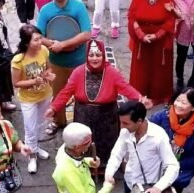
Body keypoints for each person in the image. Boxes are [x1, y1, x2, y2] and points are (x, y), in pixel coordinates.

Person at [46, 40, 149, 170]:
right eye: (91, 55)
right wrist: (54, 107)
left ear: (103, 56)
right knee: (85, 142)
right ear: (87, 56)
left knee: (109, 143)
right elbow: (66, 92)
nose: (94, 58)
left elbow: (125, 87)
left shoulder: (112, 72)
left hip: (107, 117)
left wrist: (139, 98)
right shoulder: (78, 72)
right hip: (83, 115)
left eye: (98, 55)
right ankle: (86, 166)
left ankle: (109, 166)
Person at [36, 0, 92, 134]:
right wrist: (53, 45)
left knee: (82, 93)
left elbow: (87, 34)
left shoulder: (78, 7)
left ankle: (81, 123)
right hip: (56, 61)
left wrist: (64, 45)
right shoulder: (46, 10)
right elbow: (39, 35)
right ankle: (58, 121)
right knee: (58, 93)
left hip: (78, 60)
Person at [126, 0, 176, 106]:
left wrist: (157, 36)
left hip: (159, 42)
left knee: (158, 70)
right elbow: (132, 17)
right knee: (141, 69)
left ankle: (158, 95)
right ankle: (139, 94)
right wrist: (141, 35)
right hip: (141, 41)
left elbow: (170, 20)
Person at [11, 25, 55, 173]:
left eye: (40, 38)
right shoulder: (18, 60)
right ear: (26, 42)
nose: (40, 42)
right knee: (30, 128)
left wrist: (49, 75)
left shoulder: (43, 50)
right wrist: (33, 82)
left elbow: (48, 68)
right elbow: (16, 83)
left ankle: (35, 147)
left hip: (45, 94)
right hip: (28, 99)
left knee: (39, 124)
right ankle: (32, 156)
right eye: (35, 40)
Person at [150, 88, 194, 193]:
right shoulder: (160, 117)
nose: (178, 105)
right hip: (156, 161)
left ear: (193, 107)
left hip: (179, 165)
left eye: (184, 102)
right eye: (177, 100)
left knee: (175, 187)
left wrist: (174, 166)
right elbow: (145, 136)